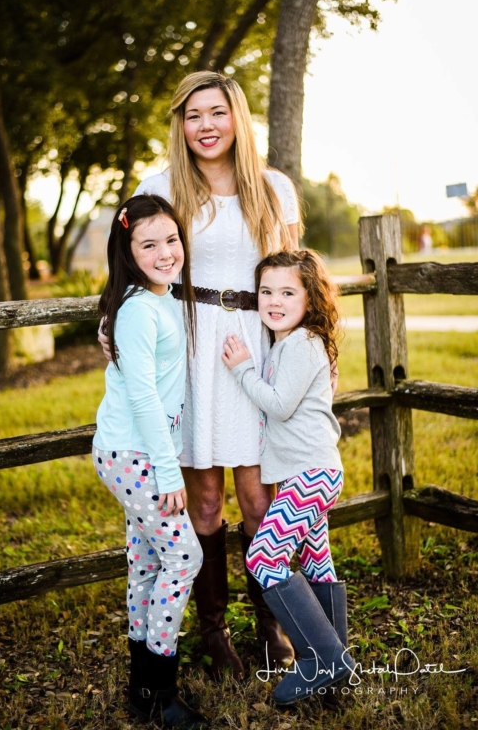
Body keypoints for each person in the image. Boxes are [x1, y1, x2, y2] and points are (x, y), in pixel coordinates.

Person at [99, 71, 298, 678]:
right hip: (186, 345)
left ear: (237, 117)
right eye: (192, 115)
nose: (205, 126)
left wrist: (307, 350)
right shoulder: (160, 186)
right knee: (205, 497)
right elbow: (128, 264)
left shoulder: (272, 187)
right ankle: (213, 632)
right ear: (179, 125)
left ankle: (272, 623)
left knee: (261, 500)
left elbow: (292, 275)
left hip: (255, 347)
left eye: (216, 113)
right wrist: (108, 318)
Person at [93, 194, 207, 728]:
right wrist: (167, 470)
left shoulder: (151, 299)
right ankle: (162, 691)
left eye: (172, 239)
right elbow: (142, 398)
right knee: (184, 557)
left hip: (130, 451)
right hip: (134, 453)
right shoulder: (139, 308)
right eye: (149, 244)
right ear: (127, 249)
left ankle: (141, 690)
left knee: (147, 562)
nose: (165, 252)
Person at [222, 249, 355, 705]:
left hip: (309, 476)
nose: (273, 301)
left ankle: (323, 659)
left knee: (264, 559)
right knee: (318, 565)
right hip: (312, 474)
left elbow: (278, 404)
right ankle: (335, 686)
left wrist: (240, 369)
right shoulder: (291, 342)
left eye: (287, 292)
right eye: (265, 291)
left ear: (311, 297)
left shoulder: (301, 343)